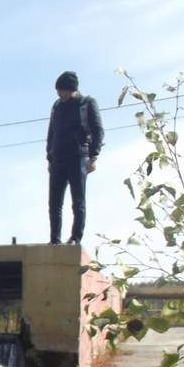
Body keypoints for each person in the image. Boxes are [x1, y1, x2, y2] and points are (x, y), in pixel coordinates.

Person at [46, 70, 103, 245]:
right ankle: (54, 239)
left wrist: (93, 156)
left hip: (78, 157)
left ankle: (75, 238)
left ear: (72, 89)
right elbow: (51, 132)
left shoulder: (86, 103)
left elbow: (97, 130)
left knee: (77, 201)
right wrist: (49, 157)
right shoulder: (57, 106)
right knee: (54, 203)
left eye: (62, 90)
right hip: (58, 159)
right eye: (58, 90)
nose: (59, 94)